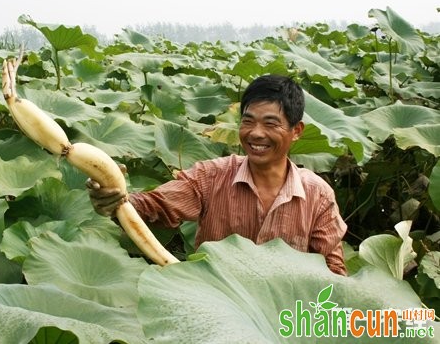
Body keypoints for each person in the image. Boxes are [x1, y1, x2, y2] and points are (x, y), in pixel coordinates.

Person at [87, 74, 347, 275]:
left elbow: (333, 271)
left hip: (283, 319)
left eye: (270, 123)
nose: (256, 133)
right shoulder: (211, 176)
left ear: (297, 130)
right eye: (247, 121)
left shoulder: (318, 194)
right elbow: (154, 206)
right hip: (215, 310)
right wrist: (117, 200)